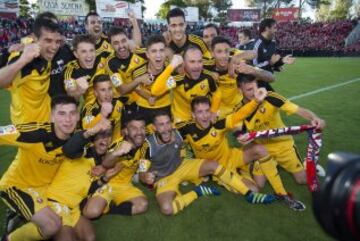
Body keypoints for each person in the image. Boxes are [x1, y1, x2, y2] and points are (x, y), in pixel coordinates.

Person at [177, 95, 307, 211]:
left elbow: (239, 115)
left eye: (207, 111)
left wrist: (256, 101)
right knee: (255, 188)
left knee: (260, 149)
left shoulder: (218, 123)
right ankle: (248, 170)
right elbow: (171, 142)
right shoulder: (185, 128)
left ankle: (281, 193)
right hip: (220, 169)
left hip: (232, 156)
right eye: (199, 112)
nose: (205, 115)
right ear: (193, 115)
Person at [139, 111, 275, 216]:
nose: (166, 128)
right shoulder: (148, 145)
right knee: (167, 209)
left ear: (172, 123)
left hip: (183, 165)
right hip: (163, 177)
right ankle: (198, 192)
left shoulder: (179, 130)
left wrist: (211, 119)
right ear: (154, 127)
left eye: (168, 123)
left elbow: (201, 125)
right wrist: (145, 177)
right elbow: (141, 173)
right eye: (161, 125)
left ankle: (249, 194)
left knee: (212, 165)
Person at [0, 96, 80, 240]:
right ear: (52, 117)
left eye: (72, 113)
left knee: (59, 227)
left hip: (45, 189)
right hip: (17, 185)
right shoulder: (35, 134)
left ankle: (20, 214)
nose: (68, 119)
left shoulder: (77, 136)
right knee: (51, 226)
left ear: (78, 115)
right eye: (61, 113)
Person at [236, 74, 326, 185]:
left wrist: (315, 118)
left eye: (256, 87)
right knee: (259, 184)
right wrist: (241, 136)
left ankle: (308, 165)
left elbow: (298, 110)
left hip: (283, 145)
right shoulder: (239, 109)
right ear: (240, 91)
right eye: (249, 89)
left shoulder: (271, 97)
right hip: (262, 149)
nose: (255, 92)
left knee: (302, 180)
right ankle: (255, 165)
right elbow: (238, 130)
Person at [46, 123, 113, 241]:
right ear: (93, 139)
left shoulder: (101, 163)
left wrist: (103, 179)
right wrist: (88, 133)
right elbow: (68, 149)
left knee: (90, 238)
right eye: (101, 135)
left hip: (73, 209)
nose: (105, 139)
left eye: (108, 136)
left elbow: (89, 188)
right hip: (54, 202)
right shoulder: (84, 151)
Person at [82, 114, 149, 219]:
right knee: (91, 213)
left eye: (142, 128)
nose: (139, 132)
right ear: (126, 131)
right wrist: (118, 153)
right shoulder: (118, 144)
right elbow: (106, 162)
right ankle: (100, 203)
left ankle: (109, 209)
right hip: (107, 184)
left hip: (124, 185)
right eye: (134, 128)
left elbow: (143, 168)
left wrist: (146, 176)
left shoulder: (146, 146)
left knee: (142, 205)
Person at [0, 17, 62, 124]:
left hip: (47, 120)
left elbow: (25, 41)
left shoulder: (41, 50)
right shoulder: (24, 62)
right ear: (35, 38)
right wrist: (22, 60)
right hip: (27, 127)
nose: (54, 47)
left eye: (57, 41)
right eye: (48, 41)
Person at [205, 36, 275, 119]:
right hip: (219, 110)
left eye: (226, 51)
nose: (223, 55)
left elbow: (272, 78)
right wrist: (207, 73)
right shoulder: (206, 65)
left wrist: (253, 71)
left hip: (239, 108)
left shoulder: (238, 66)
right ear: (212, 53)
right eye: (219, 52)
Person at [151, 46, 221, 124]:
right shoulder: (177, 79)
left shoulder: (208, 77)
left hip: (201, 119)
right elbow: (155, 91)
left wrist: (213, 111)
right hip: (181, 122)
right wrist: (172, 65)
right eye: (192, 62)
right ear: (183, 63)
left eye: (199, 61)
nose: (197, 66)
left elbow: (216, 93)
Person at [131, 35, 175, 128]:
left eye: (161, 50)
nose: (158, 55)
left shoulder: (171, 70)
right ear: (147, 54)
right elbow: (136, 89)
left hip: (165, 108)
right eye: (154, 51)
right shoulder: (138, 72)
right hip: (144, 110)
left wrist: (153, 97)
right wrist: (148, 97)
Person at [106, 26, 147, 105]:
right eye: (116, 43)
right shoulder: (111, 63)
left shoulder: (139, 53)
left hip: (145, 100)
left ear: (128, 40)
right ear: (111, 45)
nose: (121, 46)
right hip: (126, 104)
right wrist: (139, 79)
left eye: (123, 41)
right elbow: (122, 90)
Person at [252, 18, 295, 91]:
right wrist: (270, 63)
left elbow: (273, 61)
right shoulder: (257, 43)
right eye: (274, 28)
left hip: (265, 79)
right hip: (255, 82)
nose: (276, 30)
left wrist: (282, 61)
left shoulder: (273, 42)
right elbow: (253, 67)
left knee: (277, 101)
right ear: (267, 28)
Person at [63, 34, 106, 104]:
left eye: (91, 50)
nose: (89, 55)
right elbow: (70, 96)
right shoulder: (70, 69)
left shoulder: (103, 59)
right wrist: (79, 91)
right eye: (84, 51)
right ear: (76, 54)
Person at [81, 74, 124, 141]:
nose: (108, 94)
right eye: (103, 90)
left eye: (109, 89)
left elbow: (117, 133)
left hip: (113, 145)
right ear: (96, 93)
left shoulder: (118, 105)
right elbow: (87, 131)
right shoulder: (89, 109)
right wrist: (102, 115)